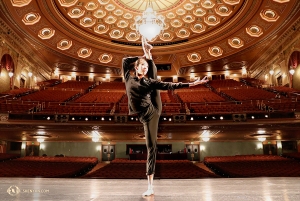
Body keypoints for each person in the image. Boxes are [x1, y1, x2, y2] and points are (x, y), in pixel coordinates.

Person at [122, 36, 209, 196]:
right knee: (152, 77)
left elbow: (169, 85)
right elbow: (124, 61)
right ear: (136, 67)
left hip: (152, 111)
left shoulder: (148, 82)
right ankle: (148, 51)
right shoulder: (128, 78)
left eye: (147, 66)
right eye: (143, 66)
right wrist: (142, 54)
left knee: (151, 146)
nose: (145, 68)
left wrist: (191, 84)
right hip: (141, 114)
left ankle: (150, 186)